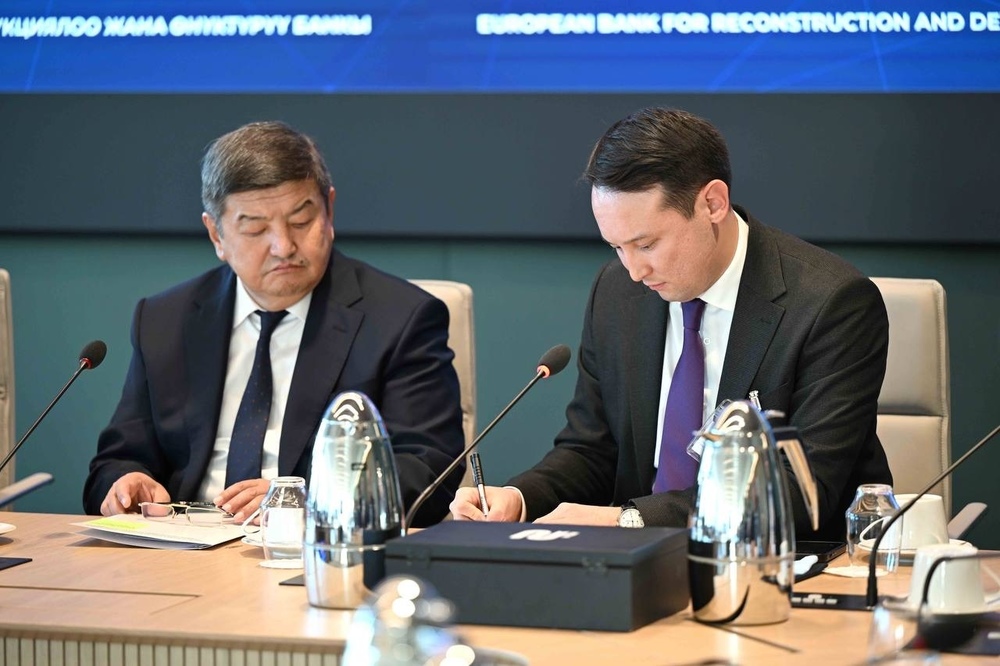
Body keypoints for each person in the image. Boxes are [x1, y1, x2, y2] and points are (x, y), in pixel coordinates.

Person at [450, 107, 892, 540]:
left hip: (780, 563)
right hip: (635, 565)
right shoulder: (617, 292)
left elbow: (800, 490)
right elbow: (593, 451)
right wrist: (520, 497)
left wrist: (631, 520)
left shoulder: (831, 303)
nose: (634, 270)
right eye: (616, 247)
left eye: (646, 244)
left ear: (712, 203)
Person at [84, 121, 465, 527]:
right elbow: (116, 461)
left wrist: (307, 499)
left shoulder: (400, 319)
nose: (283, 246)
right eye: (256, 228)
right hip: (182, 545)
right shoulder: (165, 319)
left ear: (329, 210)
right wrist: (125, 483)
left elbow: (429, 471)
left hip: (312, 545)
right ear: (216, 235)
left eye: (301, 221)